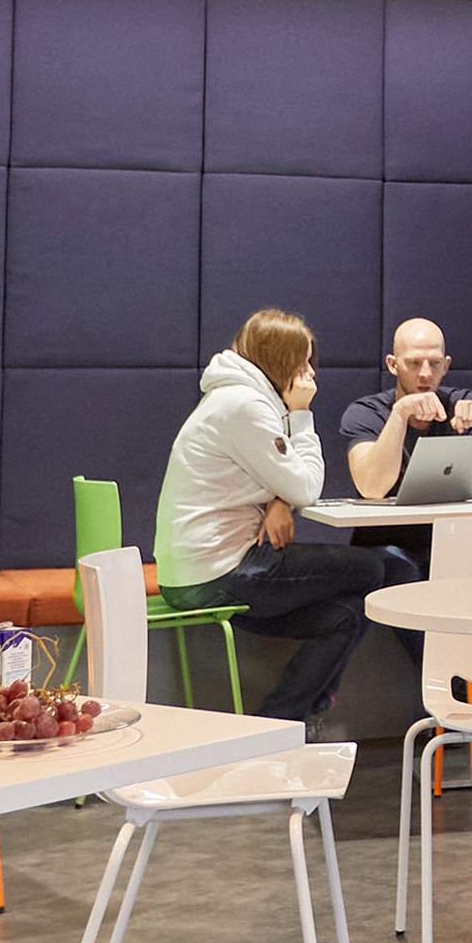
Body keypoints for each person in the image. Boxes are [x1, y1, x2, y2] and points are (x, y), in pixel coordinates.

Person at [154, 309, 411, 727]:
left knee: (346, 617)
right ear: (280, 361)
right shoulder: (246, 405)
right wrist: (302, 414)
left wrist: (278, 501)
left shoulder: (231, 396)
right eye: (303, 362)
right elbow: (306, 487)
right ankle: (287, 718)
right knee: (379, 567)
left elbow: (277, 476)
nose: (310, 373)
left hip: (197, 570)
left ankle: (278, 724)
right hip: (221, 571)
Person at [333, 315, 472, 528]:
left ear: (446, 365)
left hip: (453, 533)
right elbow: (372, 488)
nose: (425, 374)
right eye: (414, 363)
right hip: (385, 536)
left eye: (435, 363)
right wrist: (399, 415)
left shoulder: (462, 404)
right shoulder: (367, 412)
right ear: (393, 365)